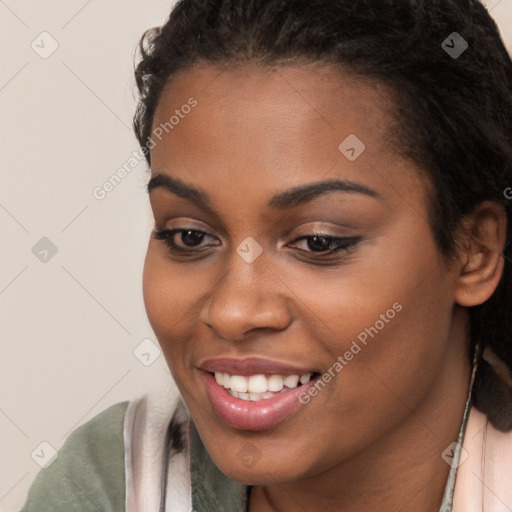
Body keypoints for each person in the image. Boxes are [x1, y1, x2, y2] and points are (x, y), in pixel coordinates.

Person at [21, 0, 512, 510]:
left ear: (475, 251)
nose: (233, 311)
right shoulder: (109, 487)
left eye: (319, 241)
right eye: (189, 236)